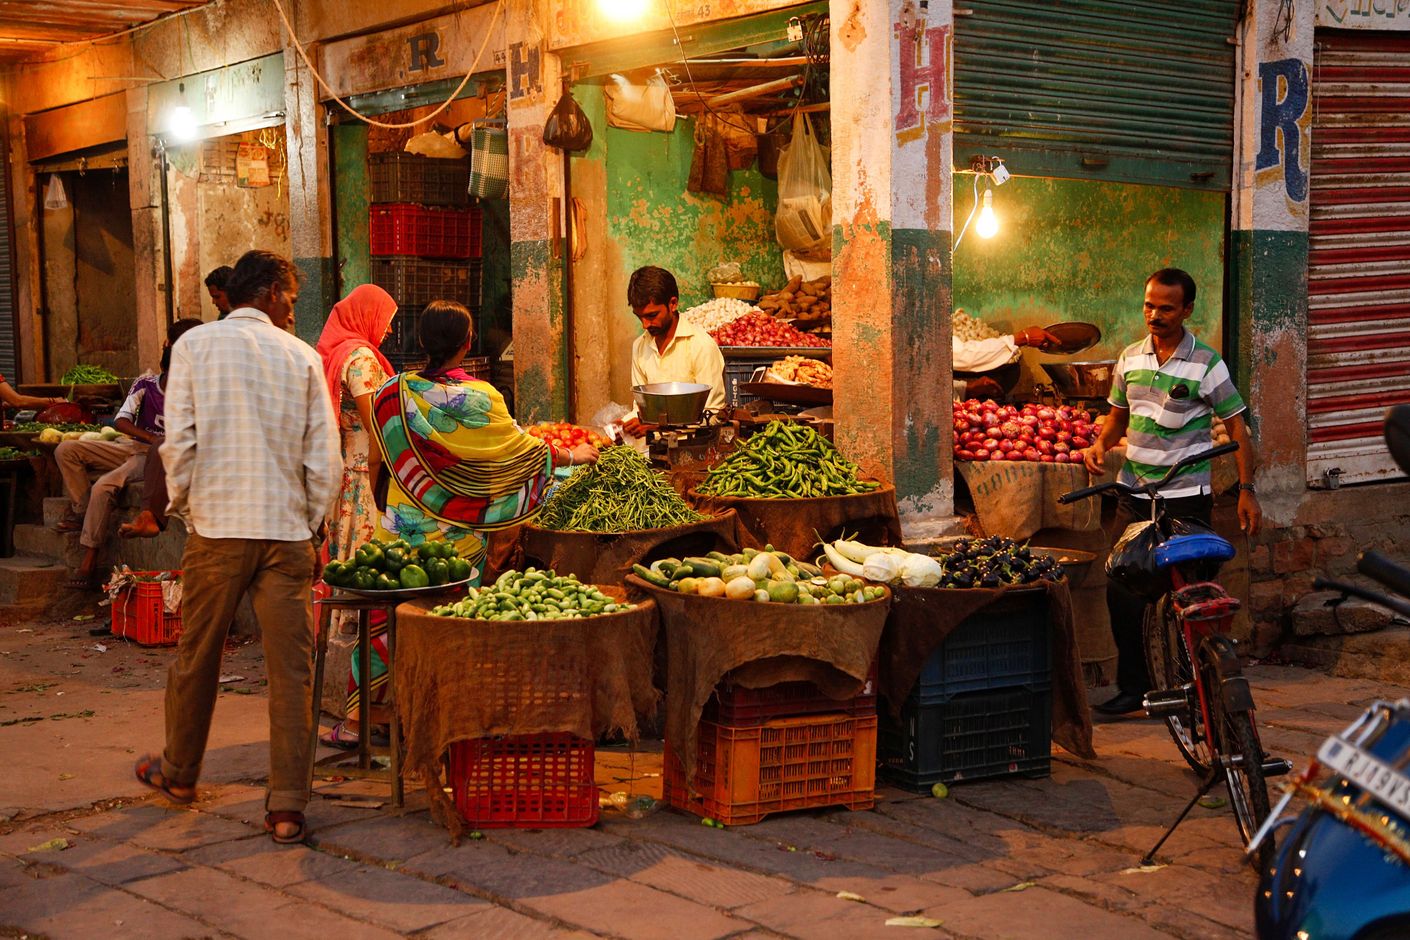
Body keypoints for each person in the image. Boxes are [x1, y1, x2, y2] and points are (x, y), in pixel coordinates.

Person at [133, 250, 341, 845]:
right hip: (286, 532)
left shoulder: (194, 348)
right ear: (272, 293)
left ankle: (178, 774)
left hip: (218, 530)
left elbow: (180, 441)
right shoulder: (302, 357)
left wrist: (189, 509)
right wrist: (312, 523)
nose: (294, 311)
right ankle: (287, 807)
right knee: (291, 671)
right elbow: (320, 456)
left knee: (198, 656)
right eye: (293, 300)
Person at [1083, 268, 1262, 717]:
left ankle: (1203, 689)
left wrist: (1246, 490)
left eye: (1166, 308)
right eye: (1149, 305)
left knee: (1195, 595)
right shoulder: (1129, 358)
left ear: (1187, 310)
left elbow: (1239, 426)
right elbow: (1117, 416)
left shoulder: (1206, 363)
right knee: (1122, 590)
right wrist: (1102, 443)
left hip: (1187, 496)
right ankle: (1135, 688)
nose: (1154, 315)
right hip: (1135, 494)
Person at [370, 300, 596, 572]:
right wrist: (572, 455)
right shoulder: (483, 398)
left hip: (399, 533)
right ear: (468, 342)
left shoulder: (392, 392)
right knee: (454, 610)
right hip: (456, 546)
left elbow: (376, 460)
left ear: (420, 340)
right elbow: (521, 450)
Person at [312, 284, 398, 749]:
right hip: (366, 478)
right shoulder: (360, 359)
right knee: (369, 589)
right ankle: (362, 710)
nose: (388, 327)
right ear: (367, 316)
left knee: (348, 580)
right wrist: (399, 476)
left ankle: (350, 704)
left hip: (347, 473)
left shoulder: (336, 351)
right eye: (386, 318)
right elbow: (376, 427)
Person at [55, 318, 203, 583]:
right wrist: (149, 436)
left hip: (155, 458)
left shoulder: (198, 391)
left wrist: (159, 443)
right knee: (66, 450)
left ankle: (89, 558)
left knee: (104, 486)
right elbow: (121, 420)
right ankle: (83, 511)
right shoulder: (146, 384)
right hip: (136, 446)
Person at [622, 266, 726, 437]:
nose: (645, 325)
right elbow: (641, 408)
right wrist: (626, 425)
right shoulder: (640, 346)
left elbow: (713, 415)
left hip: (693, 451)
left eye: (652, 315)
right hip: (652, 450)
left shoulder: (701, 345)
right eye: (639, 317)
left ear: (673, 304)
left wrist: (658, 427)